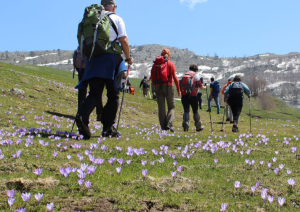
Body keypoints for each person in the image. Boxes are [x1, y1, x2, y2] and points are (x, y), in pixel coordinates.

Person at [75, 0, 134, 139]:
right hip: (112, 59)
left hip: (94, 59)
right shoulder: (116, 18)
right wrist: (128, 57)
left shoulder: (94, 19)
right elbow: (123, 39)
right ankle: (107, 128)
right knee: (113, 95)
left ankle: (82, 116)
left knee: (95, 93)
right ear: (113, 6)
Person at [150, 48, 180, 132]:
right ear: (169, 55)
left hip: (158, 87)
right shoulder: (170, 64)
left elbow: (152, 77)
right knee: (171, 106)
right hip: (168, 86)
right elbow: (175, 77)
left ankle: (163, 128)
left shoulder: (155, 64)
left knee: (161, 108)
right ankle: (169, 124)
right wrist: (178, 89)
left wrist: (153, 89)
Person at [73, 47, 104, 121]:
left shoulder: (82, 37)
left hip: (81, 65)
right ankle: (100, 113)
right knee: (95, 91)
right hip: (91, 64)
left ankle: (80, 112)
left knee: (82, 90)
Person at [181, 65, 207, 131]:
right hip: (193, 96)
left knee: (186, 110)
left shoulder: (185, 74)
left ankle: (185, 126)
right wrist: (205, 87)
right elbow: (201, 86)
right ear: (196, 70)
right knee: (195, 111)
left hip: (184, 95)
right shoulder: (196, 75)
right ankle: (198, 126)